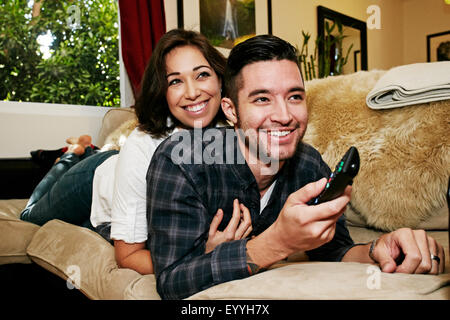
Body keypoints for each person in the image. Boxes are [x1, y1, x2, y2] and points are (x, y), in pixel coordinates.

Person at [146, 34, 446, 300]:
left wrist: (379, 248)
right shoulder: (180, 160)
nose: (284, 115)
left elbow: (335, 251)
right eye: (262, 99)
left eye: (294, 97)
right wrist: (276, 242)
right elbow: (171, 283)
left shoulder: (309, 164)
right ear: (231, 110)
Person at [20, 29, 252, 275]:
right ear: (163, 91)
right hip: (95, 178)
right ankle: (71, 155)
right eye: (175, 81)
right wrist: (203, 254)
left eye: (202, 75)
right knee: (30, 217)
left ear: (220, 79)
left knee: (92, 225)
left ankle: (84, 151)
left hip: (122, 174)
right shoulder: (144, 144)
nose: (192, 92)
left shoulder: (237, 130)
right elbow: (128, 256)